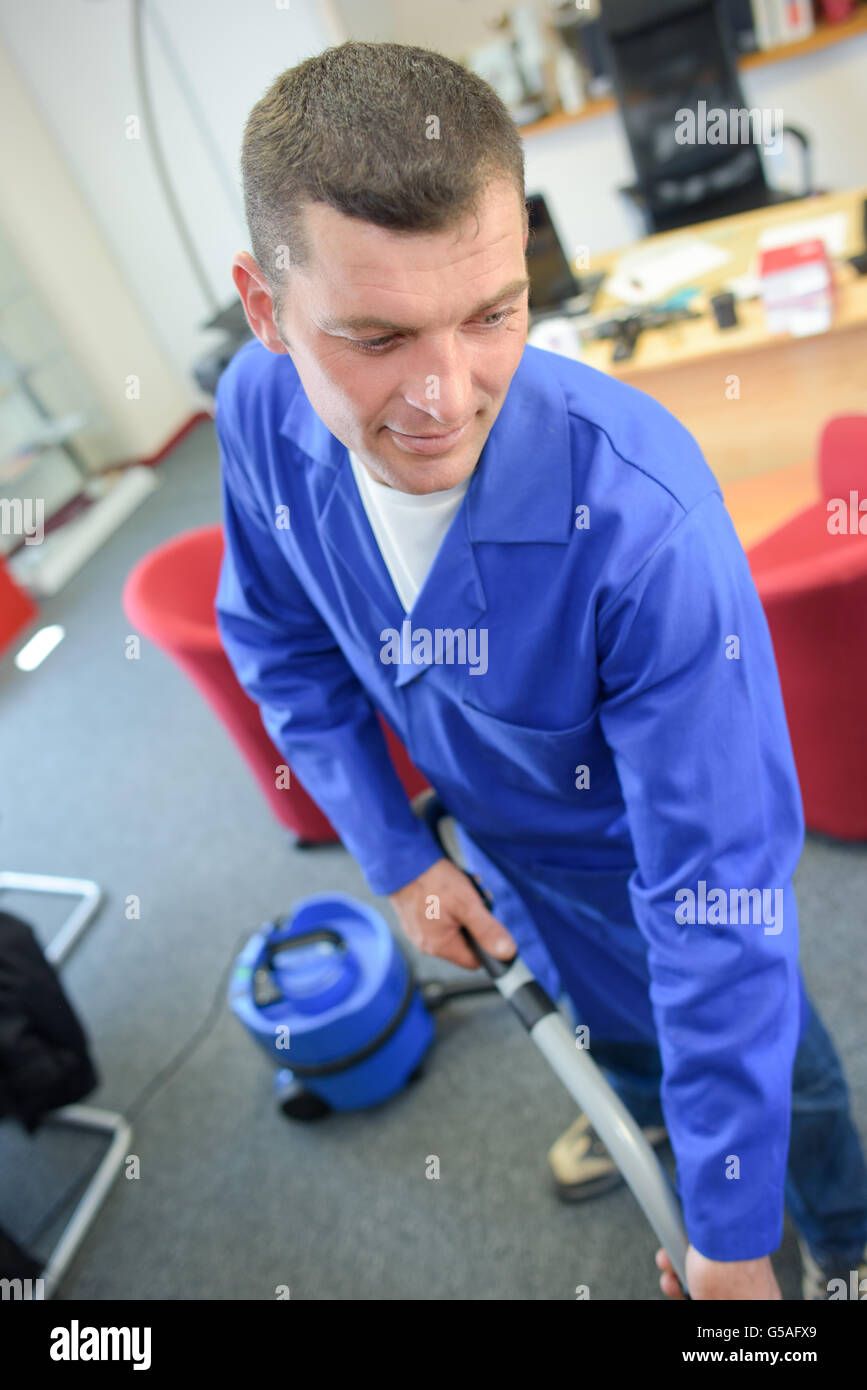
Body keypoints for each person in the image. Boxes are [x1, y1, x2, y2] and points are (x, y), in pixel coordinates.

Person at [213, 41, 867, 1300]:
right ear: (265, 309)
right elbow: (282, 642)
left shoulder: (642, 527)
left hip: (656, 878)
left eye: (492, 313)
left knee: (777, 1068)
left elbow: (717, 897)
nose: (444, 397)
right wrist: (397, 854)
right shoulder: (259, 410)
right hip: (501, 858)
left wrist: (731, 1240)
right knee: (608, 1037)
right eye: (375, 336)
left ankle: (841, 1233)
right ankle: (654, 1121)